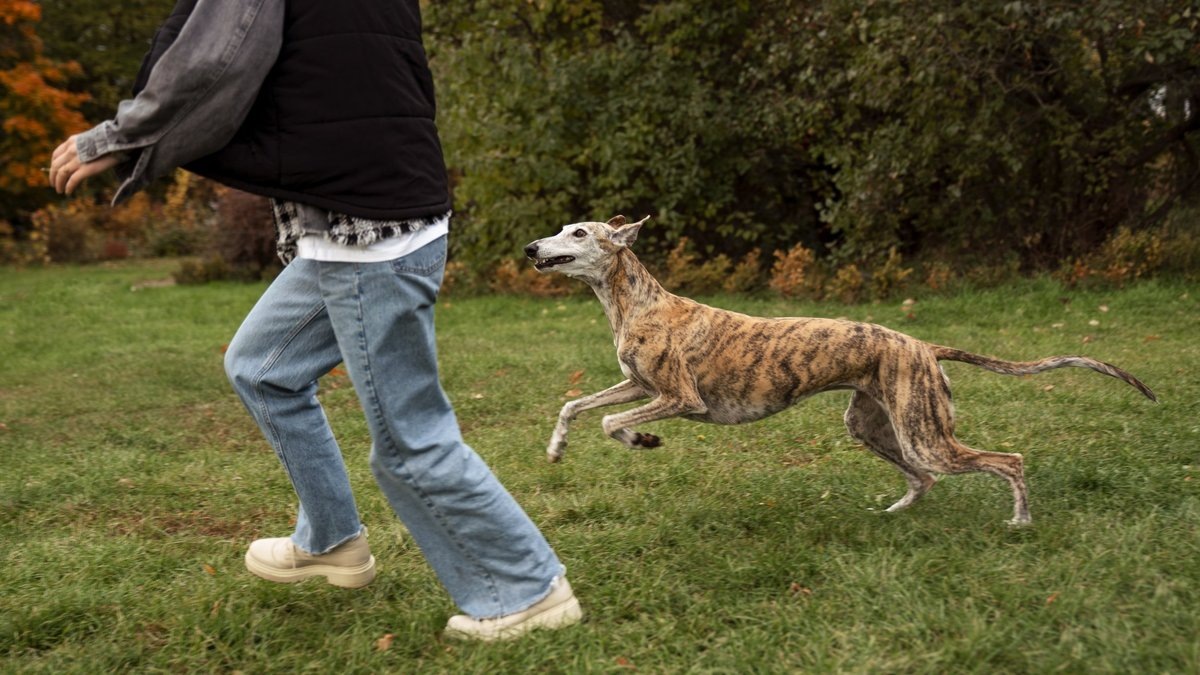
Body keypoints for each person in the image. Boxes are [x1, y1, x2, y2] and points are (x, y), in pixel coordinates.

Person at [49, 0, 581, 641]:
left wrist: (115, 136)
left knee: (409, 438)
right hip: (378, 214)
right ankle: (331, 542)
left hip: (367, 235)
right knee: (263, 368)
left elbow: (212, 58)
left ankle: (529, 590)